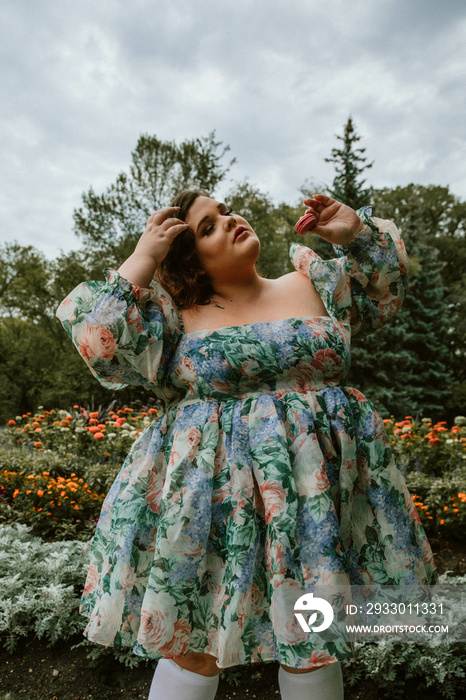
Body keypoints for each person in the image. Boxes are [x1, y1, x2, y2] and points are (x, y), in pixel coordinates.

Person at [56, 192, 437, 700]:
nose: (230, 220)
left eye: (224, 211)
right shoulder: (170, 318)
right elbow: (98, 340)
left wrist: (354, 232)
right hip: (211, 500)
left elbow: (386, 282)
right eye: (208, 227)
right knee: (193, 646)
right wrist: (146, 254)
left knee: (312, 636)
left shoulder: (313, 281)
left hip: (315, 494)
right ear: (190, 259)